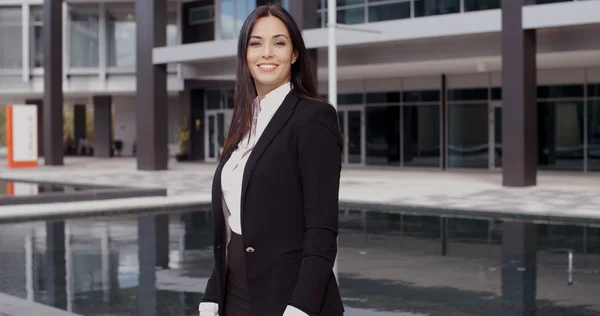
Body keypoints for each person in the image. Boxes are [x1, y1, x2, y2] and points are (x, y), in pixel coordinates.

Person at [199, 4, 344, 316]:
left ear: (294, 54)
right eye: (256, 43)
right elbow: (232, 224)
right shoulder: (243, 122)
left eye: (279, 42)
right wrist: (212, 294)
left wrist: (300, 308)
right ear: (245, 55)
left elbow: (322, 231)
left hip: (290, 297)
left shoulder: (314, 117)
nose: (266, 53)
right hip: (234, 293)